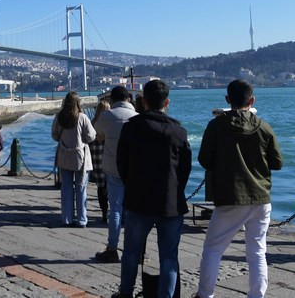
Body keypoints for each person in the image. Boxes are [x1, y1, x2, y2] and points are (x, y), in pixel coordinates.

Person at [195, 80, 283, 298]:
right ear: (252, 100)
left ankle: (205, 295)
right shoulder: (264, 127)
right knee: (257, 252)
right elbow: (277, 163)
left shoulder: (216, 126)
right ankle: (256, 295)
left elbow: (205, 160)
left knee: (213, 249)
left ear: (227, 100)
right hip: (261, 197)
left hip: (230, 196)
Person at [113, 80, 191, 298]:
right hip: (171, 203)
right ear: (167, 102)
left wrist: (132, 184)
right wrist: (176, 189)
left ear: (144, 101)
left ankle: (126, 293)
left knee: (131, 253)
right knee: (169, 257)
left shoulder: (131, 128)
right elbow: (185, 169)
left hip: (139, 200)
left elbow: (122, 164)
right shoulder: (179, 132)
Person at [93, 86, 138, 263]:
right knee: (134, 211)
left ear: (112, 99)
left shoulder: (107, 116)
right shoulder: (136, 117)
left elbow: (98, 135)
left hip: (113, 168)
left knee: (115, 210)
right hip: (134, 170)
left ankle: (112, 248)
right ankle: (135, 250)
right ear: (128, 99)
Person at [51, 91, 97, 227]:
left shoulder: (59, 117)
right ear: (78, 103)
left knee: (66, 188)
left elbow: (54, 135)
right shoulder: (82, 117)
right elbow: (91, 136)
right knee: (81, 188)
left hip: (64, 156)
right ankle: (82, 219)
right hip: (80, 157)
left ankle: (67, 218)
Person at [89, 96, 112, 222]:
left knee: (101, 186)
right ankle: (113, 211)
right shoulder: (110, 125)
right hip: (108, 157)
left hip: (96, 158)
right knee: (111, 185)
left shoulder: (92, 124)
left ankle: (104, 212)